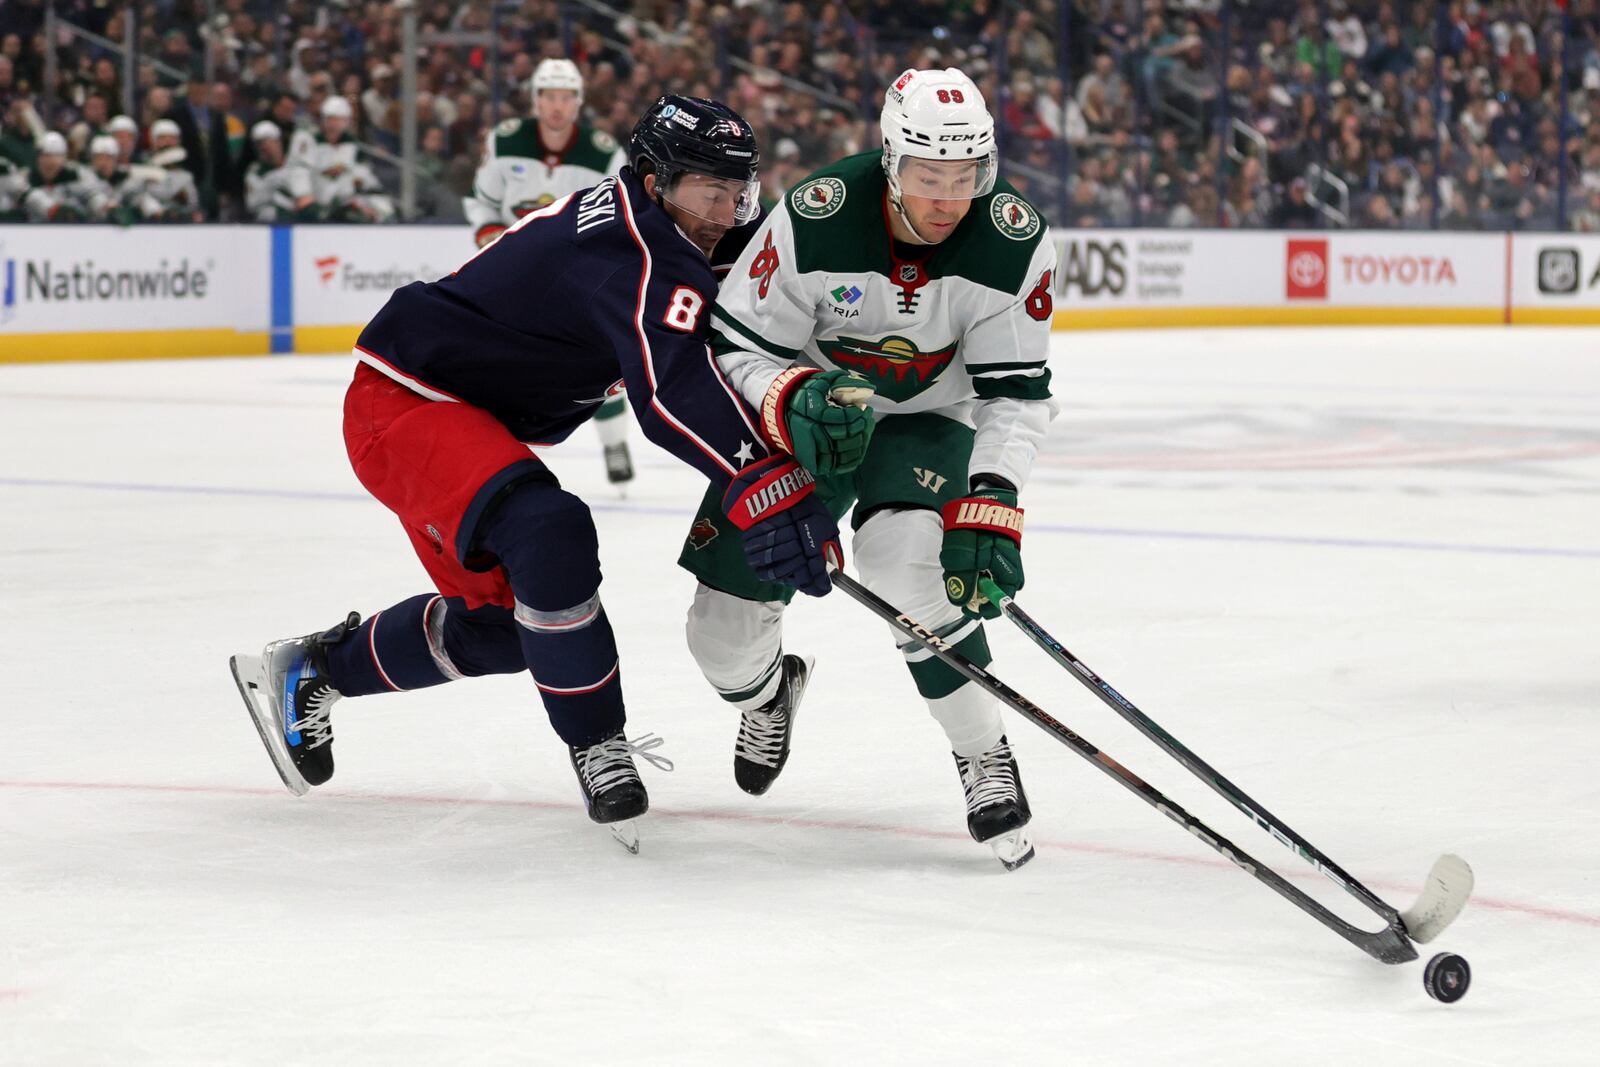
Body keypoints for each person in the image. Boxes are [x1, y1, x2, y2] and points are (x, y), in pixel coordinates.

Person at [229, 96, 839, 853]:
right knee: (549, 529)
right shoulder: (638, 251)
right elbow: (670, 393)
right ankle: (599, 744)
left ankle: (315, 670)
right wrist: (771, 482)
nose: (727, 210)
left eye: (739, 189)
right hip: (406, 403)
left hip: (470, 419)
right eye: (709, 191)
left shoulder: (672, 225)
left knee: (515, 631)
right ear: (654, 182)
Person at [677, 68, 1058, 870]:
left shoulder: (1013, 236)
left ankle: (983, 752)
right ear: (890, 161)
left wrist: (993, 495)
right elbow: (736, 347)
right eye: (929, 176)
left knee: (906, 573)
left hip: (926, 420)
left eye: (967, 177)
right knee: (719, 635)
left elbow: (1016, 394)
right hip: (815, 418)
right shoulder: (817, 218)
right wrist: (789, 396)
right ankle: (766, 692)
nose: (949, 198)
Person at [464, 57, 637, 488]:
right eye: (549, 97)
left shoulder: (602, 153)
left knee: (596, 365)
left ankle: (614, 441)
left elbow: (621, 213)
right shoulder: (505, 143)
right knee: (503, 363)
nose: (557, 107)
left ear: (578, 103)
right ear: (535, 100)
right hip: (513, 273)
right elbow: (483, 200)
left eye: (565, 98)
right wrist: (489, 232)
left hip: (576, 279)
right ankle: (501, 458)